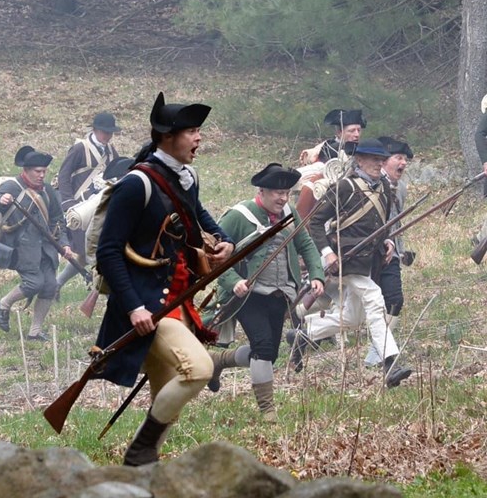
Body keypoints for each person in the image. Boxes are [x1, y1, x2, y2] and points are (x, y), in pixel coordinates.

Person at [94, 92, 234, 466]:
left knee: (170, 382)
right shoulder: (136, 185)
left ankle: (146, 464)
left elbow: (197, 214)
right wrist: (134, 307)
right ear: (166, 137)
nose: (198, 138)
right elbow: (107, 253)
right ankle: (140, 452)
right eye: (191, 131)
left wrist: (224, 240)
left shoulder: (186, 178)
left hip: (176, 298)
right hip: (145, 306)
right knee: (199, 369)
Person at [288, 138, 412, 388]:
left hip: (369, 260)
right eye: (374, 159)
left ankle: (304, 334)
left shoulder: (384, 189)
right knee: (375, 298)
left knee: (354, 319)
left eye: (381, 159)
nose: (379, 164)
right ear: (359, 160)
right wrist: (326, 253)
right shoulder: (343, 187)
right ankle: (390, 363)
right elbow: (315, 222)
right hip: (345, 259)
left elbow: (383, 225)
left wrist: (387, 241)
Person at [205, 163, 325, 421]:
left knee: (269, 353)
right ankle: (267, 410)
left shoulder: (290, 213)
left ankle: (219, 361)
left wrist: (316, 274)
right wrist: (233, 281)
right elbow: (213, 258)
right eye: (277, 193)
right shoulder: (238, 216)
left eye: (287, 193)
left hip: (281, 294)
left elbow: (306, 245)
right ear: (261, 191)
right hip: (248, 295)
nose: (283, 198)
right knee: (262, 345)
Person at [0, 145, 72, 341]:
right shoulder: (11, 186)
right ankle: (4, 304)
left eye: (44, 172)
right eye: (37, 172)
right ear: (26, 171)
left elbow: (58, 219)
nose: (41, 175)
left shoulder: (47, 190)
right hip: (21, 247)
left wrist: (64, 244)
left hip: (46, 248)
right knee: (34, 282)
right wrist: (0, 200)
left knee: (49, 286)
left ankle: (35, 332)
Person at [55, 112, 121, 291]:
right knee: (87, 251)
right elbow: (64, 175)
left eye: (110, 132)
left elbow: (117, 170)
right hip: (79, 207)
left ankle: (58, 283)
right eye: (104, 132)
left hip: (99, 206)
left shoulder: (110, 150)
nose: (107, 136)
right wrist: (68, 203)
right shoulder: (79, 148)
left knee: (86, 253)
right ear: (95, 130)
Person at [364, 136, 414, 366]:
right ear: (384, 161)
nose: (403, 163)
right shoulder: (368, 183)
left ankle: (377, 353)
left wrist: (401, 251)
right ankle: (308, 332)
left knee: (394, 300)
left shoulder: (400, 187)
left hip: (390, 253)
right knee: (350, 311)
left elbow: (397, 223)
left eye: (405, 159)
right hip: (364, 253)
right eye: (398, 157)